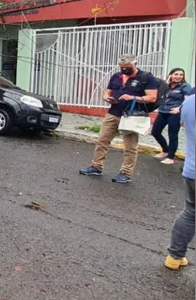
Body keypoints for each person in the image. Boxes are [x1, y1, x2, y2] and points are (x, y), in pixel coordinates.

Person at [79, 54, 158, 184]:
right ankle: (96, 167)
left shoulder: (146, 77)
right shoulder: (116, 76)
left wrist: (132, 97)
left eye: (127, 67)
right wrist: (106, 97)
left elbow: (152, 97)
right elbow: (107, 91)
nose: (124, 69)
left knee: (130, 146)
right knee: (102, 140)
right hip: (113, 113)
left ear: (135, 64)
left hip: (130, 116)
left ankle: (125, 173)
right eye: (122, 67)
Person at [165, 94, 195, 270]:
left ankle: (174, 257)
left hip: (191, 169)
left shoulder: (189, 101)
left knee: (190, 212)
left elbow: (183, 123)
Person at [151, 68, 193, 165]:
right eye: (176, 74)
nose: (178, 76)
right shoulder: (167, 86)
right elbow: (160, 95)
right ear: (170, 75)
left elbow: (187, 100)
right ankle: (165, 150)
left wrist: (179, 109)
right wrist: (166, 82)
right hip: (162, 111)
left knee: (172, 135)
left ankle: (170, 157)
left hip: (174, 113)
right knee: (155, 132)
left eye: (181, 75)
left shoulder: (185, 86)